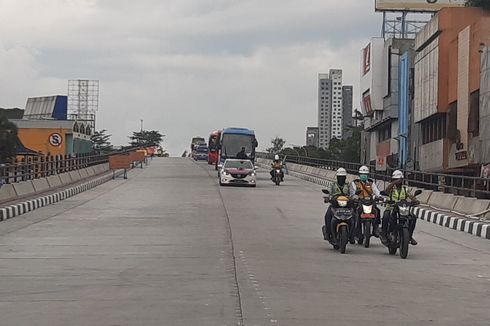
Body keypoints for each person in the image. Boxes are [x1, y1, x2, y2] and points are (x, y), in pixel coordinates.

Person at [381, 170, 419, 245]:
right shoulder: (391, 187)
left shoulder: (405, 188)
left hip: (402, 208)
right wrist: (394, 183)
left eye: (399, 179)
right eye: (396, 179)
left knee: (413, 217)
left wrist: (415, 200)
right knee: (386, 216)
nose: (398, 181)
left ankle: (410, 236)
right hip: (391, 207)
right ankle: (384, 235)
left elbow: (410, 195)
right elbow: (386, 191)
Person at [349, 165, 382, 238]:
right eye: (362, 174)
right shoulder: (355, 183)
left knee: (377, 211)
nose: (363, 176)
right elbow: (352, 193)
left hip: (370, 202)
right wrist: (355, 197)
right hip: (359, 202)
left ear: (368, 175)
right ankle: (355, 229)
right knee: (355, 213)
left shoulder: (371, 183)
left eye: (365, 175)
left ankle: (375, 228)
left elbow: (376, 192)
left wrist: (379, 197)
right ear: (359, 175)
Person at [323, 168, 351, 243]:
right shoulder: (333, 184)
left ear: (345, 177)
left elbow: (352, 193)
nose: (341, 179)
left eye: (343, 177)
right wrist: (327, 198)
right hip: (335, 205)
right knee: (327, 216)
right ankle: (328, 233)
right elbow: (329, 192)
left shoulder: (348, 185)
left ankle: (352, 235)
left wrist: (355, 198)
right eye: (339, 177)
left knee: (353, 217)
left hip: (346, 205)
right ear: (337, 177)